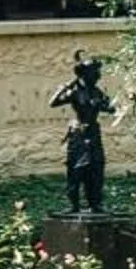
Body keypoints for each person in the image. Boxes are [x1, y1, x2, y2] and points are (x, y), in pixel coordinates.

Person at [50, 53, 114, 214]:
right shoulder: (75, 92)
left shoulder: (97, 92)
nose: (98, 76)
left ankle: (95, 203)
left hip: (93, 132)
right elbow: (53, 103)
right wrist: (63, 89)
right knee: (76, 169)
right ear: (86, 74)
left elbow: (111, 108)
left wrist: (107, 104)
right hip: (78, 133)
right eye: (95, 72)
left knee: (96, 166)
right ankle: (74, 204)